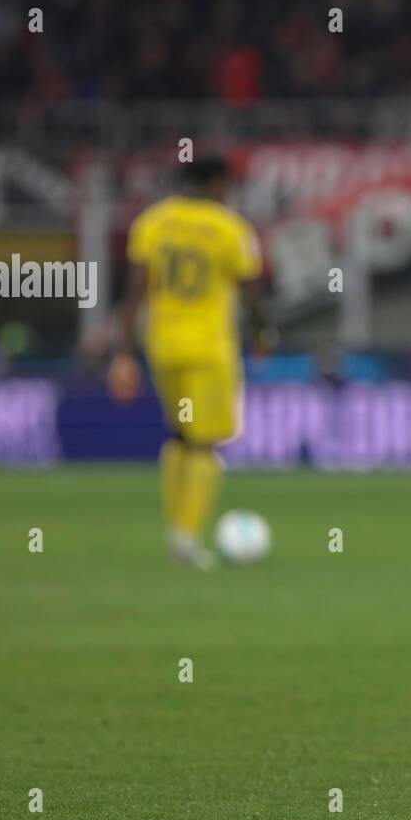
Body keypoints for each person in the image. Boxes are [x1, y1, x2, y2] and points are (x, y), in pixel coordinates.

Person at [109, 155, 272, 569]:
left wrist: (125, 353)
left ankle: (177, 531)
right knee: (205, 444)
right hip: (209, 349)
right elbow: (251, 292)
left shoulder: (152, 223)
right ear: (217, 184)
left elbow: (134, 293)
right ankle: (187, 537)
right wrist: (262, 335)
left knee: (179, 436)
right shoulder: (230, 228)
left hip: (162, 344)